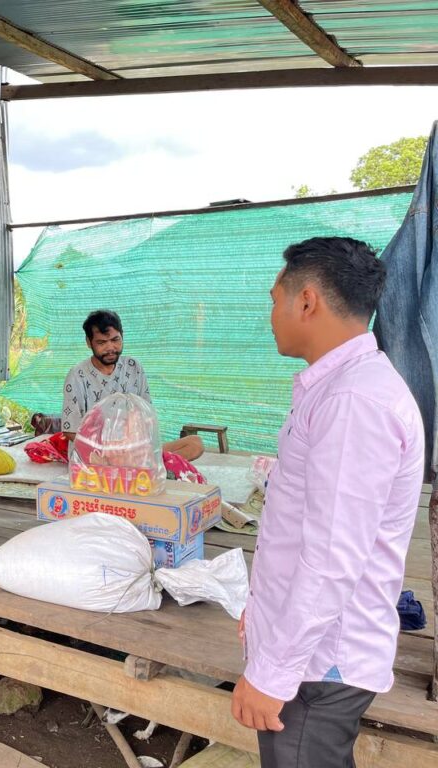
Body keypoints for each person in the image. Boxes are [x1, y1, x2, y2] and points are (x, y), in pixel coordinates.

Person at [231, 237, 425, 767]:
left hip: (318, 666)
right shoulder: (339, 388)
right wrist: (263, 611)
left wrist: (272, 673)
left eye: (275, 300)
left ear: (307, 301)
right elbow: (302, 526)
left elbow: (332, 559)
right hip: (309, 653)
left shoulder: (353, 401)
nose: (271, 315)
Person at [61, 309, 204, 460]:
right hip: (97, 453)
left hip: (133, 449)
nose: (110, 348)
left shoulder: (133, 367)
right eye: (101, 342)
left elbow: (146, 414)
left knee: (195, 444)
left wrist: (135, 445)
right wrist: (109, 450)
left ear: (122, 336)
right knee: (121, 462)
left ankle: (146, 465)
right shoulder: (77, 375)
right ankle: (148, 466)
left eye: (115, 340)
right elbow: (70, 430)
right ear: (89, 342)